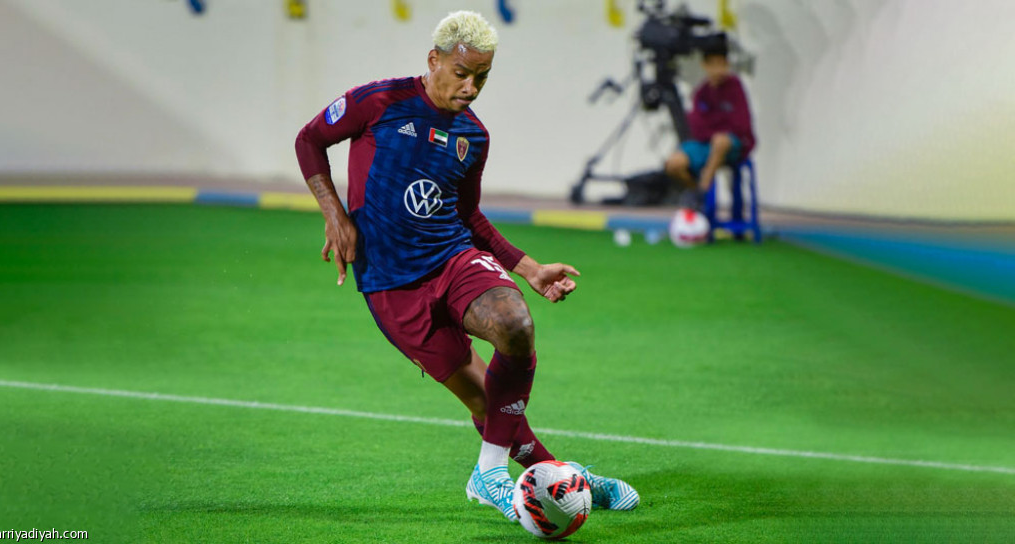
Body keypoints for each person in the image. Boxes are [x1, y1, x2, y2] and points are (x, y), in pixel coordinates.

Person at [294, 11, 639, 521]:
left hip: (453, 257)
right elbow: (309, 140)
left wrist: (528, 268)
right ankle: (568, 480)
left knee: (514, 325)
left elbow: (468, 215)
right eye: (462, 73)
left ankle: (489, 473)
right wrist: (334, 214)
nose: (471, 88)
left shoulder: (473, 137)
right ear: (434, 60)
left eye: (482, 77)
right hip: (392, 285)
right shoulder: (379, 101)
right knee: (486, 403)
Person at [664, 37, 755, 204]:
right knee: (673, 163)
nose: (718, 70)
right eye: (713, 64)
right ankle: (697, 194)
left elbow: (740, 124)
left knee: (720, 141)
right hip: (705, 144)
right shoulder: (701, 92)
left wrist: (714, 127)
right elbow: (696, 127)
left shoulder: (735, 87)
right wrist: (718, 127)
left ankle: (703, 189)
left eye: (722, 64)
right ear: (704, 65)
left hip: (732, 145)